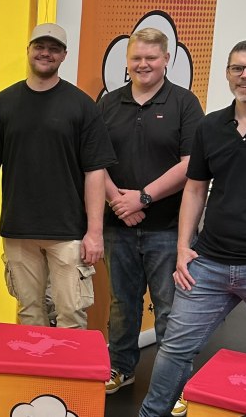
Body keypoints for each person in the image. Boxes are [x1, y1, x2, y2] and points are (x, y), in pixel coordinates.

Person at [140, 40, 246, 416]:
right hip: (209, 263)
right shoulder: (211, 126)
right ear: (227, 73)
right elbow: (194, 188)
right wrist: (183, 247)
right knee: (175, 348)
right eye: (238, 68)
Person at [0, 23, 116, 329]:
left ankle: (67, 378)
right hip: (18, 230)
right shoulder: (3, 104)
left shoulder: (81, 106)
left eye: (54, 49)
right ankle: (35, 378)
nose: (45, 53)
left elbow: (95, 171)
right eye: (40, 47)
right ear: (28, 50)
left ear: (64, 55)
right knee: (29, 313)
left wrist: (94, 232)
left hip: (68, 232)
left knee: (71, 315)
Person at [99, 28, 203, 416]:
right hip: (118, 226)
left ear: (166, 60)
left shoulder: (184, 103)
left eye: (152, 58)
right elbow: (94, 161)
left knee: (170, 310)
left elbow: (191, 163)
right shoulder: (109, 104)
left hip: (167, 229)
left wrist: (142, 197)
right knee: (122, 305)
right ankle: (121, 369)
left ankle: (176, 385)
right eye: (137, 58)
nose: (143, 64)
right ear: (127, 60)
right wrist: (118, 200)